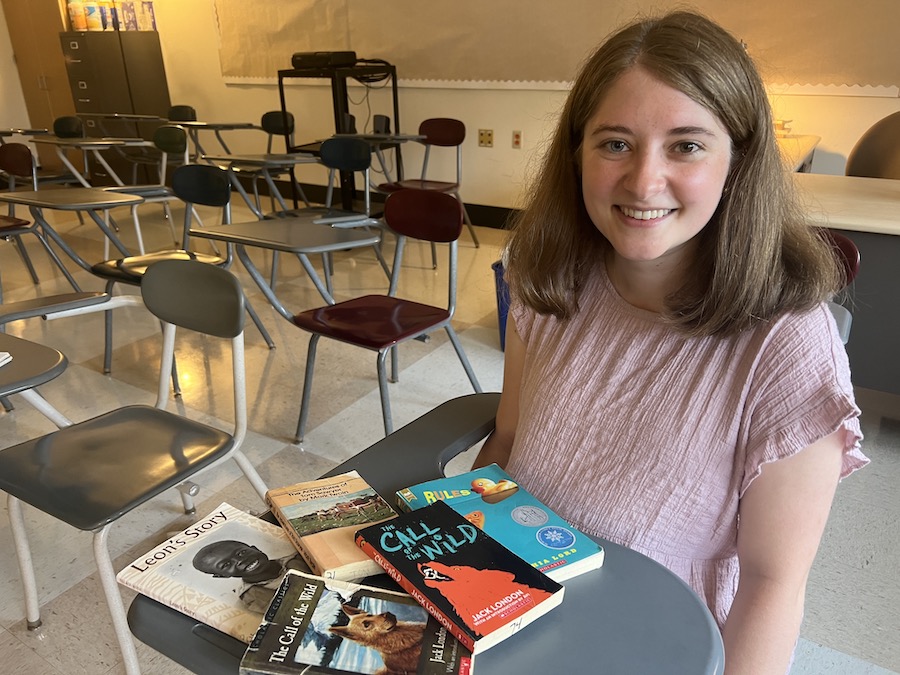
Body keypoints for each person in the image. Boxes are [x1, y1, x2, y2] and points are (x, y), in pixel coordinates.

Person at [474, 10, 868, 674]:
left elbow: (773, 585)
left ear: (738, 159)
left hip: (655, 642)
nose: (643, 182)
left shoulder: (789, 346)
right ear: (576, 153)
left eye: (685, 145)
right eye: (615, 143)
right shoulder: (548, 278)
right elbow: (508, 447)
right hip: (516, 610)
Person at [192, 539, 306, 612]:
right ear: (222, 576)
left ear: (254, 548)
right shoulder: (254, 595)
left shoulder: (297, 557)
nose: (241, 560)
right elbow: (291, 611)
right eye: (226, 564)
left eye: (242, 553)